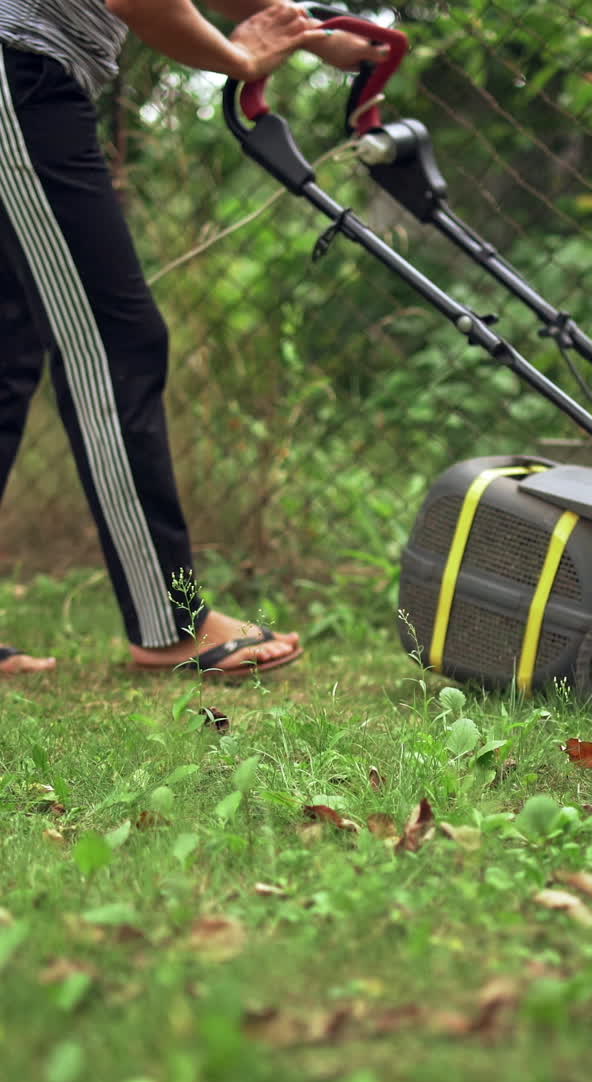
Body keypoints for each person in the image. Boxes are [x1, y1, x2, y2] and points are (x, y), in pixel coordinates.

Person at [0, 0, 387, 677]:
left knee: (8, 350)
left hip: (28, 71)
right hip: (19, 73)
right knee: (114, 342)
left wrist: (310, 34)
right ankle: (168, 623)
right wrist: (239, 59)